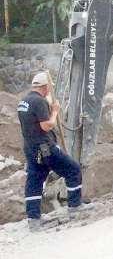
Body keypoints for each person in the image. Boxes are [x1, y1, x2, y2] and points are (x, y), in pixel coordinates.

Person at [17, 72, 90, 230]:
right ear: (45, 87)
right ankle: (75, 206)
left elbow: (35, 120)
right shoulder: (39, 101)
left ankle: (34, 220)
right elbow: (46, 125)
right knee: (73, 169)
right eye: (49, 88)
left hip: (31, 149)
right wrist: (55, 110)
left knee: (34, 181)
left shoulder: (24, 101)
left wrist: (49, 106)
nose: (50, 90)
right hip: (45, 148)